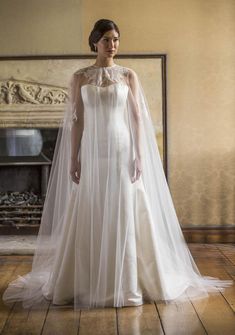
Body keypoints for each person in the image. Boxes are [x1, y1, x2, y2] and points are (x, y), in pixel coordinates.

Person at [2, 19, 232, 310]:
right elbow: (77, 121)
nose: (113, 45)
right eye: (107, 40)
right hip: (92, 150)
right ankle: (84, 280)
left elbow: (137, 117)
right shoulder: (80, 77)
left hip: (122, 149)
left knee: (124, 206)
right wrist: (73, 157)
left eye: (116, 40)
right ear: (94, 42)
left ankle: (127, 283)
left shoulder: (128, 75)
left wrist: (139, 154)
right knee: (91, 206)